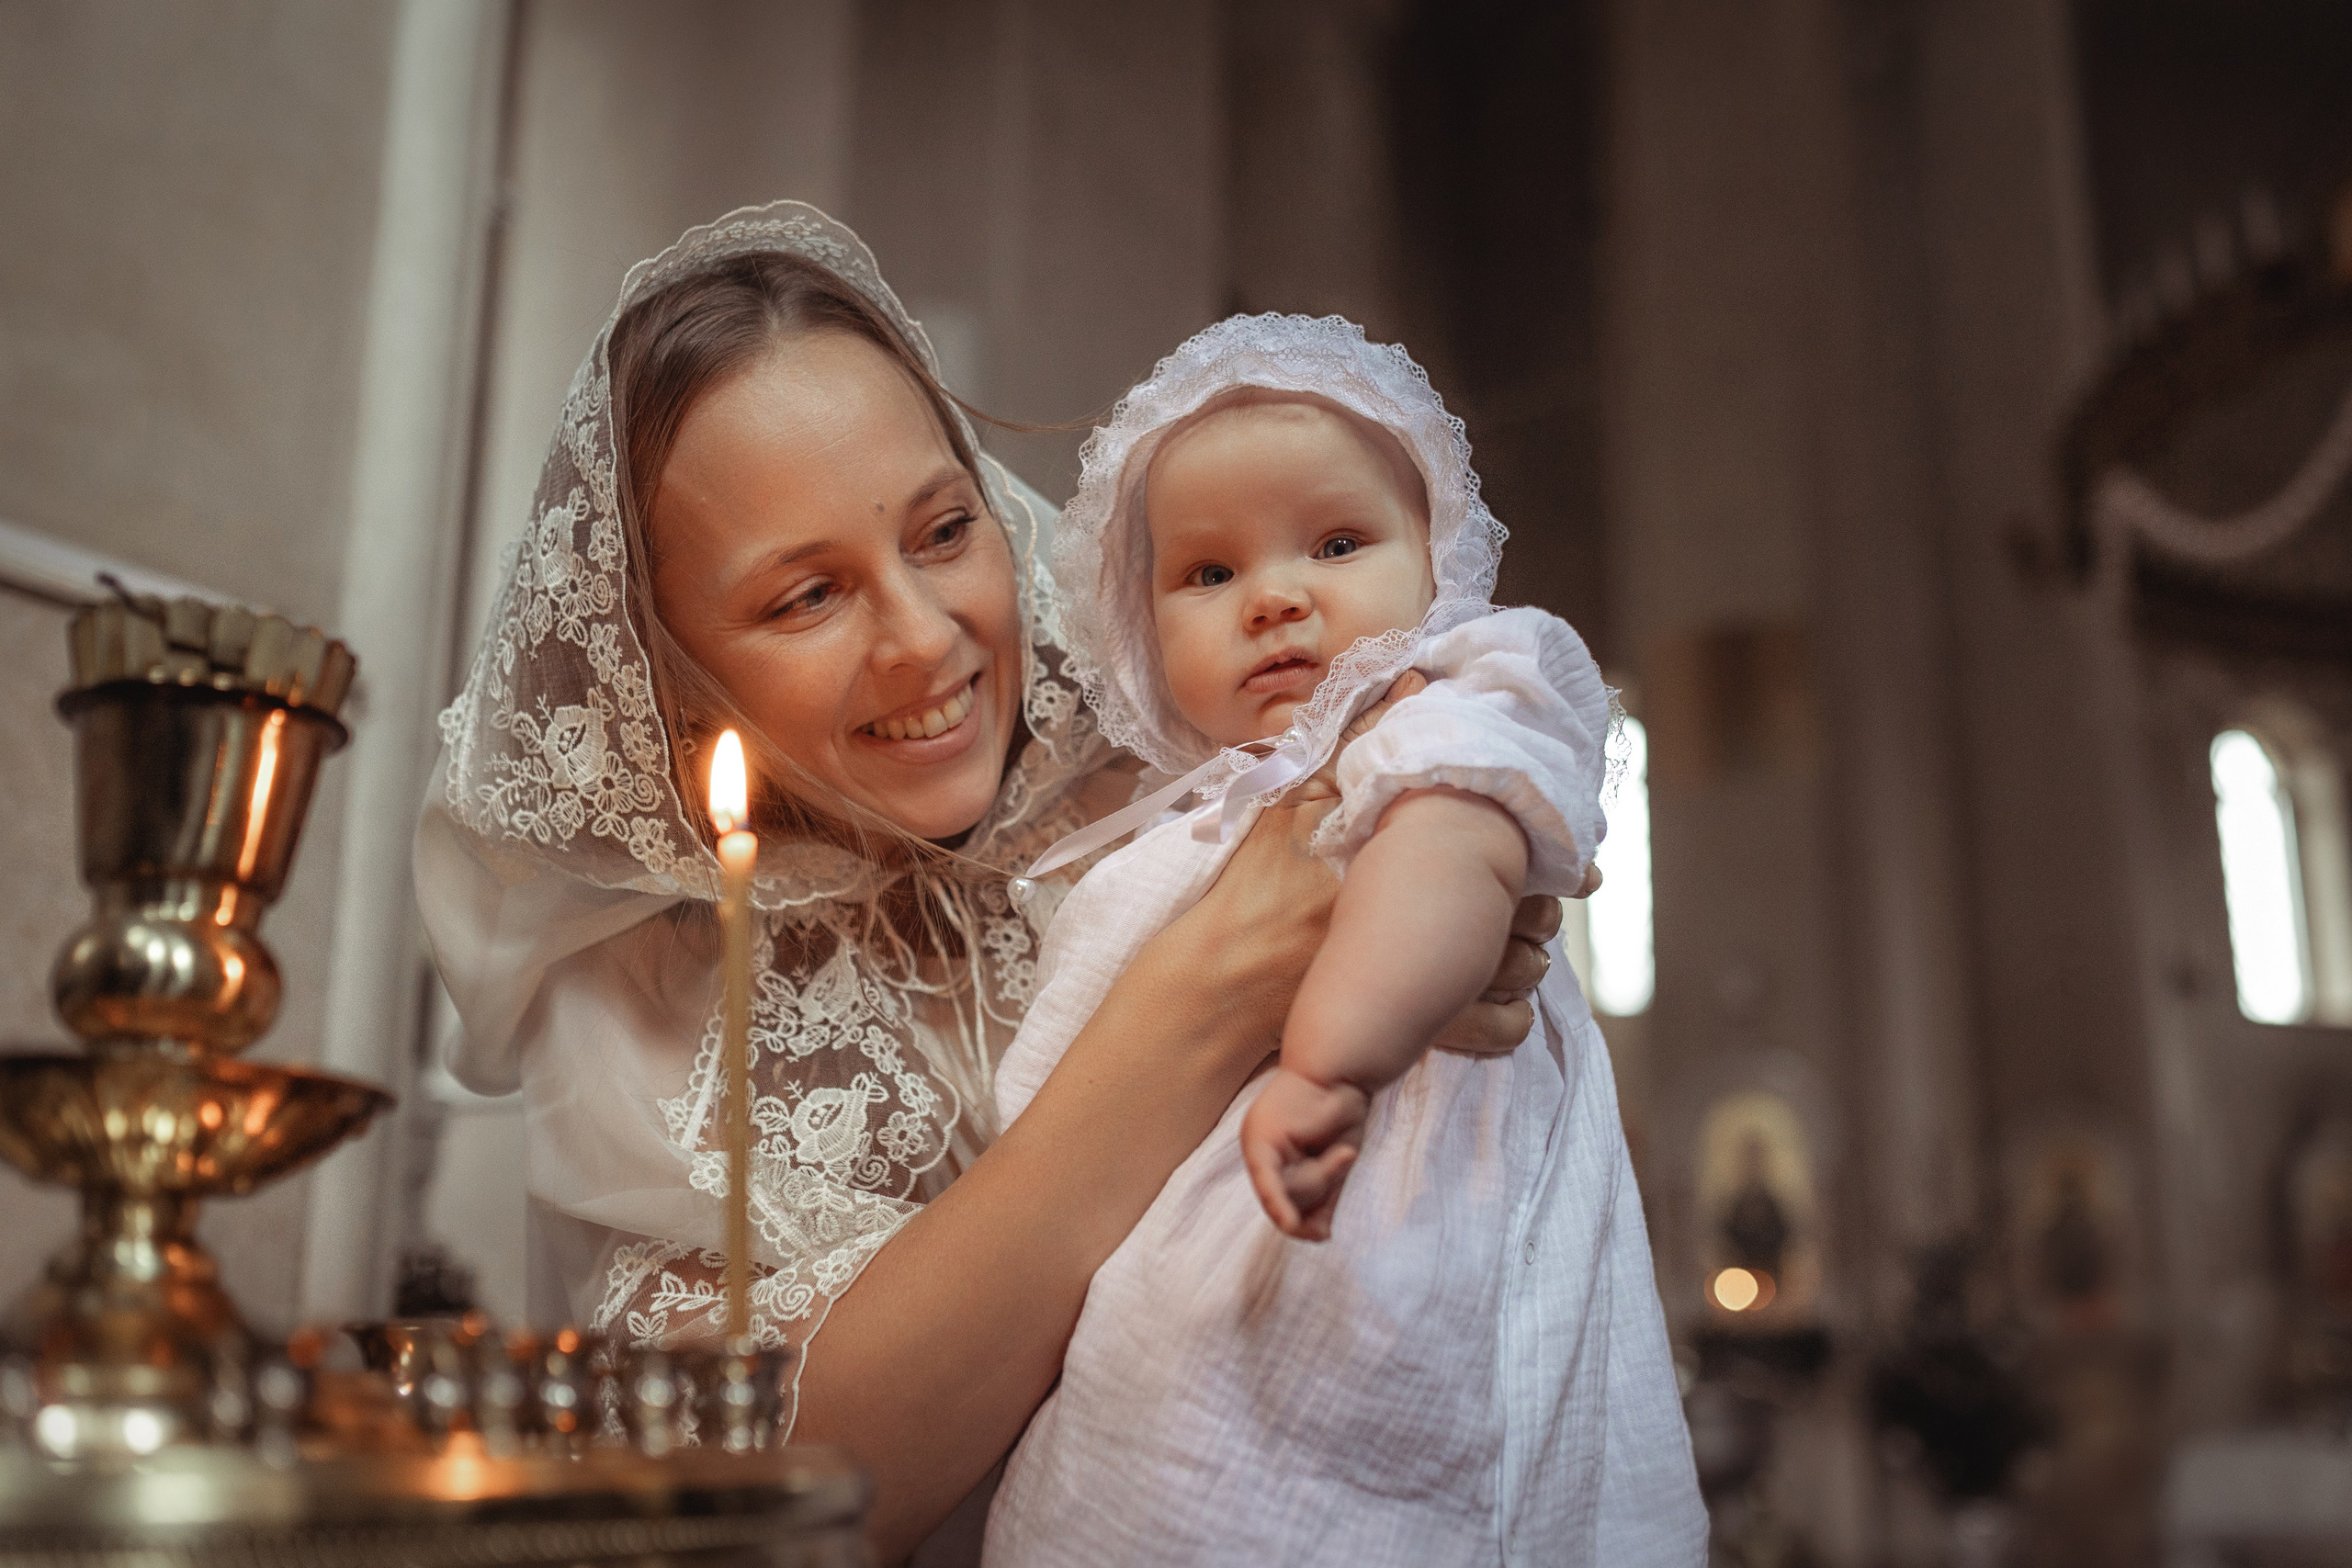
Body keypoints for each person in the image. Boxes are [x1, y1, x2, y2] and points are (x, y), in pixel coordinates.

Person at [413, 203, 1562, 1562]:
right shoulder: (655, 994)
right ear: (673, 681)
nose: (925, 638)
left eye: (945, 530)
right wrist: (1213, 993)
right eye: (805, 598)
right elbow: (754, 1509)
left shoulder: (1185, 768)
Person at [982, 315, 1705, 1566]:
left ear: (1439, 562)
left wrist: (1332, 1060)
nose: (1273, 597)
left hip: (1382, 1220)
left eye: (1336, 543)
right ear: (1139, 632)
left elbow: (1446, 863)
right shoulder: (1191, 818)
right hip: (1161, 1297)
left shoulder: (1446, 708)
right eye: (1208, 575)